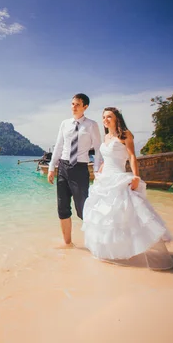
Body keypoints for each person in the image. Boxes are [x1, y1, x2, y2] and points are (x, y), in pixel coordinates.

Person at [81, 107, 173, 270]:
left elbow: (131, 156)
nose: (105, 119)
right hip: (104, 180)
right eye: (104, 117)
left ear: (117, 118)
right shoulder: (107, 137)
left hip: (119, 178)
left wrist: (136, 177)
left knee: (127, 215)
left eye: (109, 116)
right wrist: (102, 167)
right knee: (107, 218)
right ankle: (111, 252)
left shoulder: (125, 134)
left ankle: (137, 250)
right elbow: (108, 156)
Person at [48, 93, 103, 246]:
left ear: (85, 106)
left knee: (83, 209)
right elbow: (59, 146)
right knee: (62, 208)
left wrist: (97, 170)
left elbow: (98, 149)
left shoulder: (92, 125)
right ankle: (68, 244)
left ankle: (97, 242)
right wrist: (52, 167)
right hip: (63, 167)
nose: (74, 107)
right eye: (72, 104)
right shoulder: (65, 124)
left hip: (80, 169)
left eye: (77, 104)